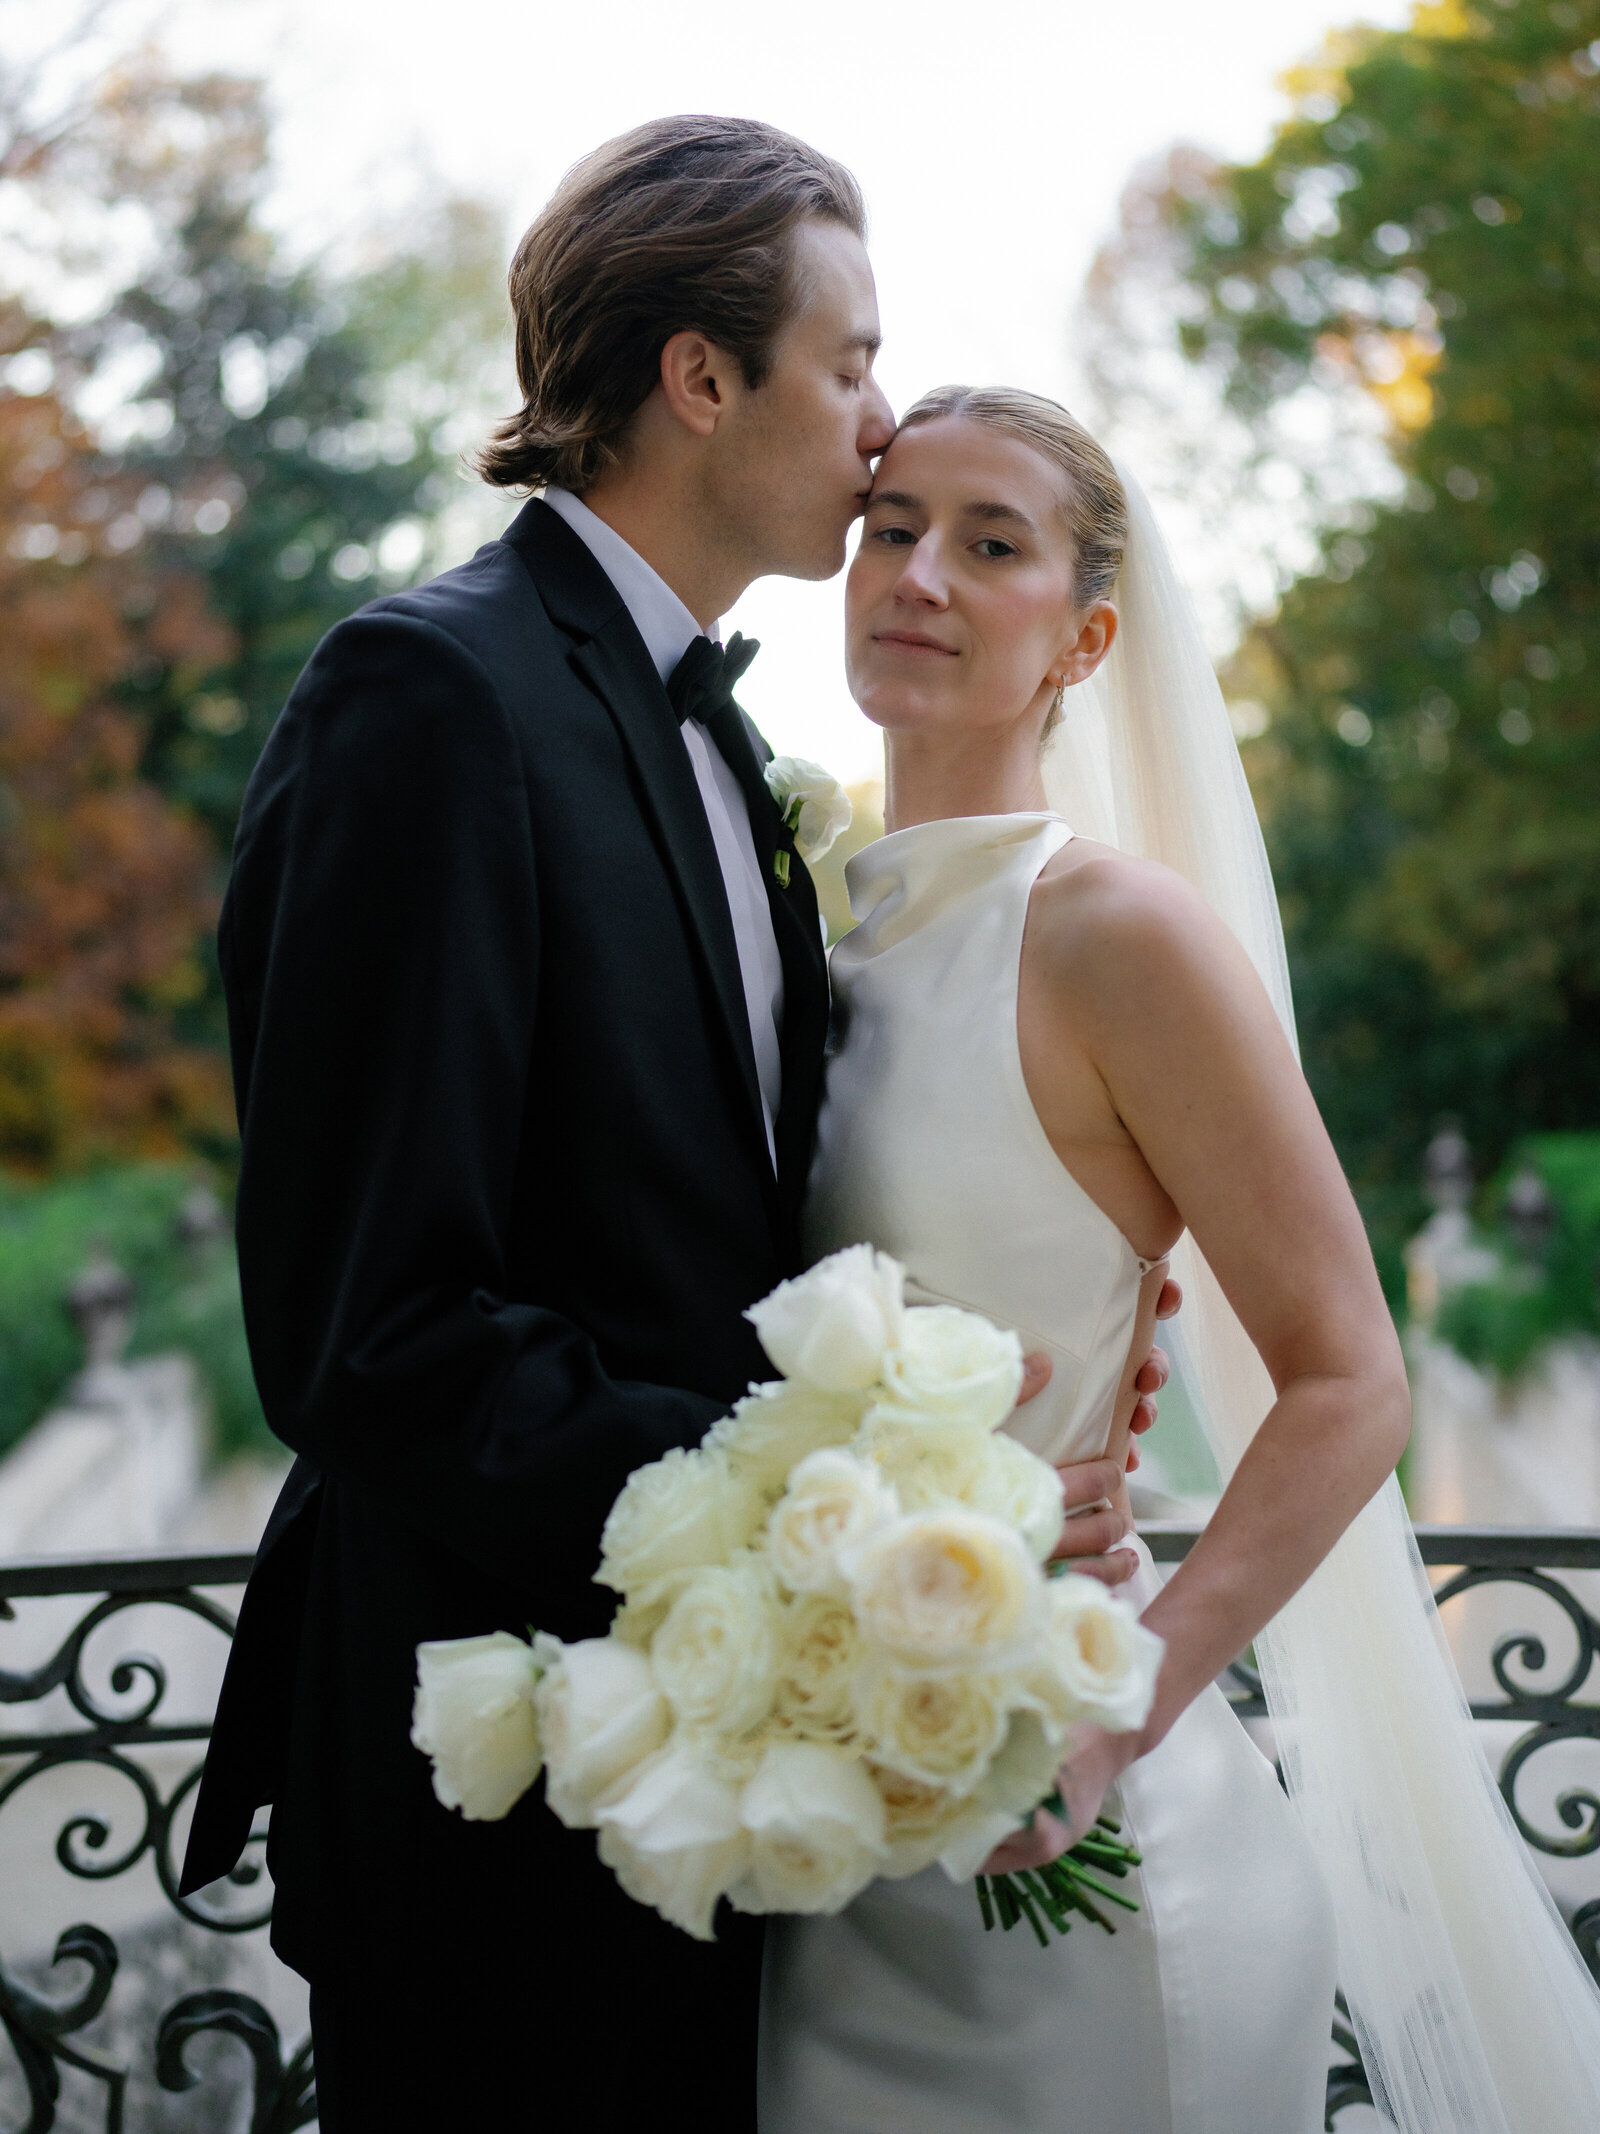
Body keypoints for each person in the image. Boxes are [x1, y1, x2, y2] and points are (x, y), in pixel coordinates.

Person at [176, 125, 1166, 2132]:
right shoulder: (431, 699)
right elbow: (375, 1330)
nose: (880, 424)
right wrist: (860, 1531)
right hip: (502, 1794)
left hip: (737, 1820)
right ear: (700, 379)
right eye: (848, 357)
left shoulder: (714, 738)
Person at [760, 386, 1600, 2134]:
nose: (918, 571)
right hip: (833, 1821)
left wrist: (1122, 1703)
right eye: (893, 525)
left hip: (1076, 1864)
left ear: (1084, 638)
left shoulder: (1111, 933)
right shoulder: (805, 920)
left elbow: (1352, 1373)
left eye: (989, 545)